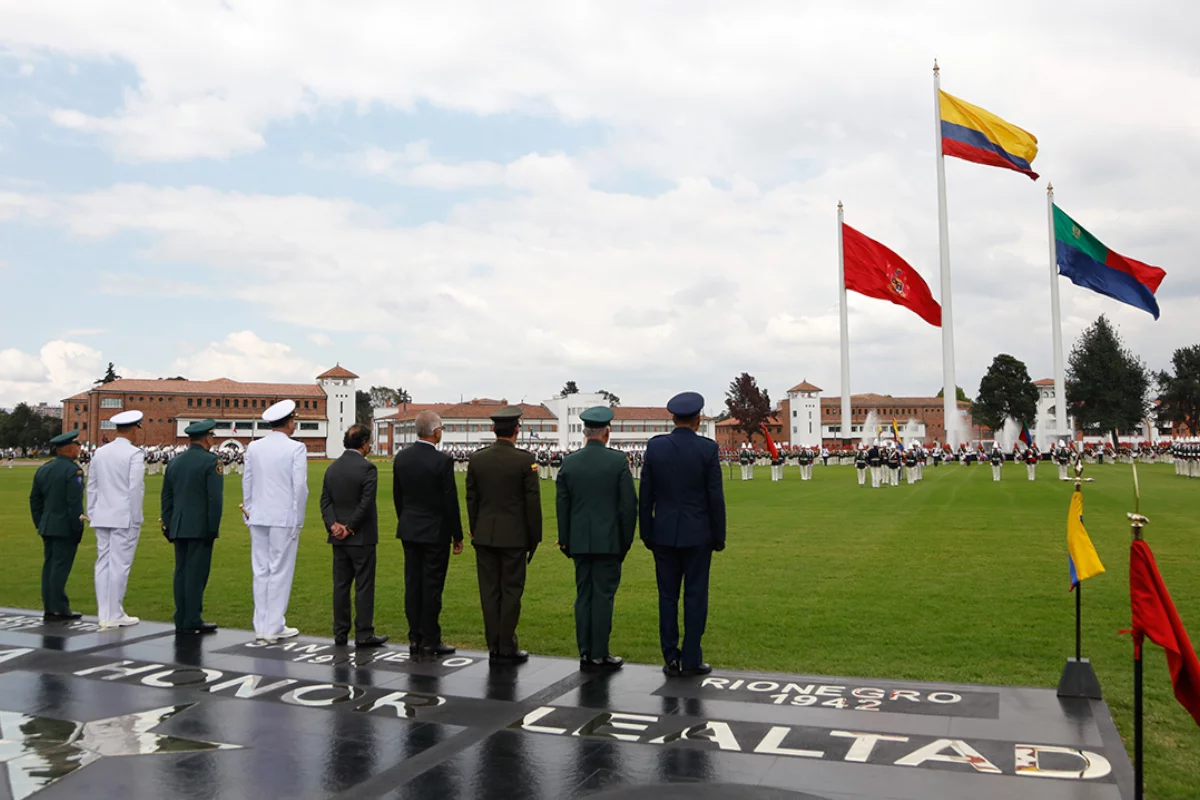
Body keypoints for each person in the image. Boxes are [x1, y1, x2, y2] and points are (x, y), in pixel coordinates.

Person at [640, 391, 726, 678]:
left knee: (667, 598)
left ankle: (670, 656)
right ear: (698, 419)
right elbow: (715, 497)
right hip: (698, 532)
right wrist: (719, 534)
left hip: (663, 532)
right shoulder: (707, 449)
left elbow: (645, 495)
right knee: (695, 596)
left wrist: (646, 531)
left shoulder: (656, 448)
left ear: (673, 418)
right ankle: (691, 657)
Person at [557, 406, 637, 672]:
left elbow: (563, 506)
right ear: (607, 432)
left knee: (584, 595)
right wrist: (625, 542)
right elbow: (628, 507)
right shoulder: (617, 462)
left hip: (579, 540)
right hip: (609, 541)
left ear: (584, 432)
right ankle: (600, 652)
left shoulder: (570, 462)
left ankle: (585, 651)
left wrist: (565, 540)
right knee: (603, 596)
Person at [466, 406, 541, 664]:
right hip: (514, 536)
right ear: (516, 430)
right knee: (511, 592)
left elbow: (472, 499)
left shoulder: (478, 459)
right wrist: (534, 537)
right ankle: (506, 645)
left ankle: (493, 645)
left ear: (493, 430)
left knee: (489, 592)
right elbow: (532, 503)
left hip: (485, 534)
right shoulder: (524, 459)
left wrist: (475, 527)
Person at [393, 411, 463, 658]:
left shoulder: (401, 458)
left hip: (410, 529)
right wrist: (457, 535)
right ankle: (431, 639)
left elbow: (398, 497)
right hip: (435, 532)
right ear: (436, 432)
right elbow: (449, 501)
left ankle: (415, 637)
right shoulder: (442, 461)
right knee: (432, 587)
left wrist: (406, 520)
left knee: (413, 584)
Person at [242, 399, 308, 644]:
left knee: (260, 571)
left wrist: (248, 510)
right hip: (283, 517)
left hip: (258, 514)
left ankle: (261, 625)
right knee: (280, 570)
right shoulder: (296, 448)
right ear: (290, 422)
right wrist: (298, 518)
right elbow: (299, 487)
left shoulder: (254, 447)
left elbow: (247, 481)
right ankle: (273, 625)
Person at [320, 424, 387, 649]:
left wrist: (333, 526)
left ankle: (340, 632)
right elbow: (366, 503)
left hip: (338, 537)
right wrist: (349, 527)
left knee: (341, 585)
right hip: (361, 536)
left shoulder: (332, 468)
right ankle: (364, 633)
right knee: (364, 586)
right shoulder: (367, 469)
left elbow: (325, 501)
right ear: (364, 443)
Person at [161, 420, 222, 635]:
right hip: (200, 527)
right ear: (207, 438)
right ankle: (192, 618)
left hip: (178, 525)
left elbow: (166, 497)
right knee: (196, 574)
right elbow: (215, 500)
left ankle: (181, 616)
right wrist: (212, 528)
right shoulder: (210, 461)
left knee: (181, 572)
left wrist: (167, 523)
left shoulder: (175, 462)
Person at [87, 410, 146, 629]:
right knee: (120, 565)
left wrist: (92, 511)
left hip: (102, 514)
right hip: (123, 515)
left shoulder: (100, 452)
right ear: (134, 429)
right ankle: (114, 613)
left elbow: (92, 485)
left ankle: (105, 613)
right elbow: (135, 488)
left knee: (103, 563)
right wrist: (136, 516)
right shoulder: (134, 454)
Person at [29, 430, 87, 621]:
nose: (79, 449)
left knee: (49, 566)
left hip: (47, 525)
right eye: (77, 445)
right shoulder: (73, 471)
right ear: (69, 448)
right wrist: (77, 527)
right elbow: (74, 504)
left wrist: (40, 522)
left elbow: (35, 500)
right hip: (64, 527)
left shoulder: (44, 469)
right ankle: (59, 608)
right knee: (60, 568)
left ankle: (49, 606)